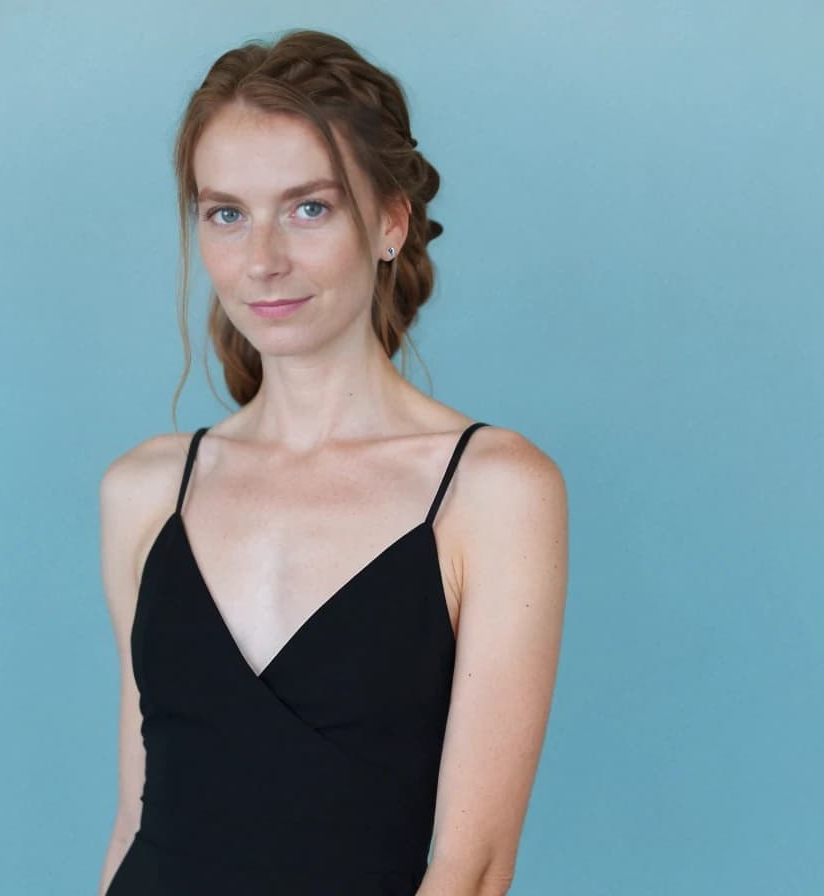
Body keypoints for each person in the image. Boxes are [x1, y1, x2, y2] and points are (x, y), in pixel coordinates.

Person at [96, 29, 568, 896]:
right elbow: (134, 823)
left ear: (390, 221)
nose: (262, 259)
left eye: (308, 207)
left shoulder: (494, 489)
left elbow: (474, 868)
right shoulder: (145, 489)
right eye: (226, 212)